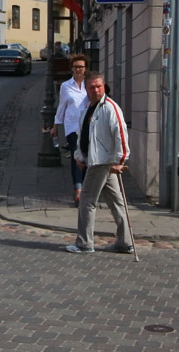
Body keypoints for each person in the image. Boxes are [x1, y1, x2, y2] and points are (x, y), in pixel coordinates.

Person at [70, 73, 133, 255]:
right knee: (117, 202)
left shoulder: (110, 108)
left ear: (104, 86)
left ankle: (84, 243)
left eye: (99, 86)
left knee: (86, 201)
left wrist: (121, 161)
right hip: (95, 161)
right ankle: (125, 242)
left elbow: (121, 135)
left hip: (102, 162)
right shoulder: (89, 108)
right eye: (92, 87)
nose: (96, 90)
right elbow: (83, 135)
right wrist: (79, 156)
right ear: (86, 89)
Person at [50, 55, 90, 205]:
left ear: (85, 68)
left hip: (88, 127)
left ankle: (86, 187)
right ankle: (78, 190)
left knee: (87, 157)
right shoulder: (66, 86)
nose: (78, 69)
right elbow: (62, 107)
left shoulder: (90, 84)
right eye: (76, 67)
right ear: (72, 69)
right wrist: (56, 125)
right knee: (76, 157)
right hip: (72, 127)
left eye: (81, 67)